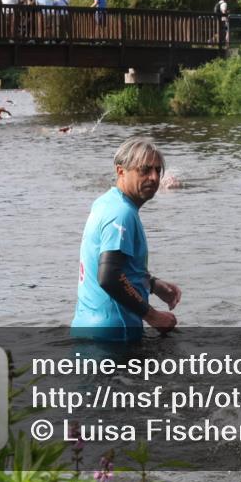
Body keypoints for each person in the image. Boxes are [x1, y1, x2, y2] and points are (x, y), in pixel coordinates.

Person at [72, 138, 182, 341]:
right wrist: (153, 316)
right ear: (121, 171)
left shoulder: (106, 203)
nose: (154, 177)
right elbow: (110, 276)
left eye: (158, 171)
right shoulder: (121, 213)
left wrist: (153, 285)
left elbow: (118, 268)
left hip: (88, 328)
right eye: (145, 170)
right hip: (114, 334)